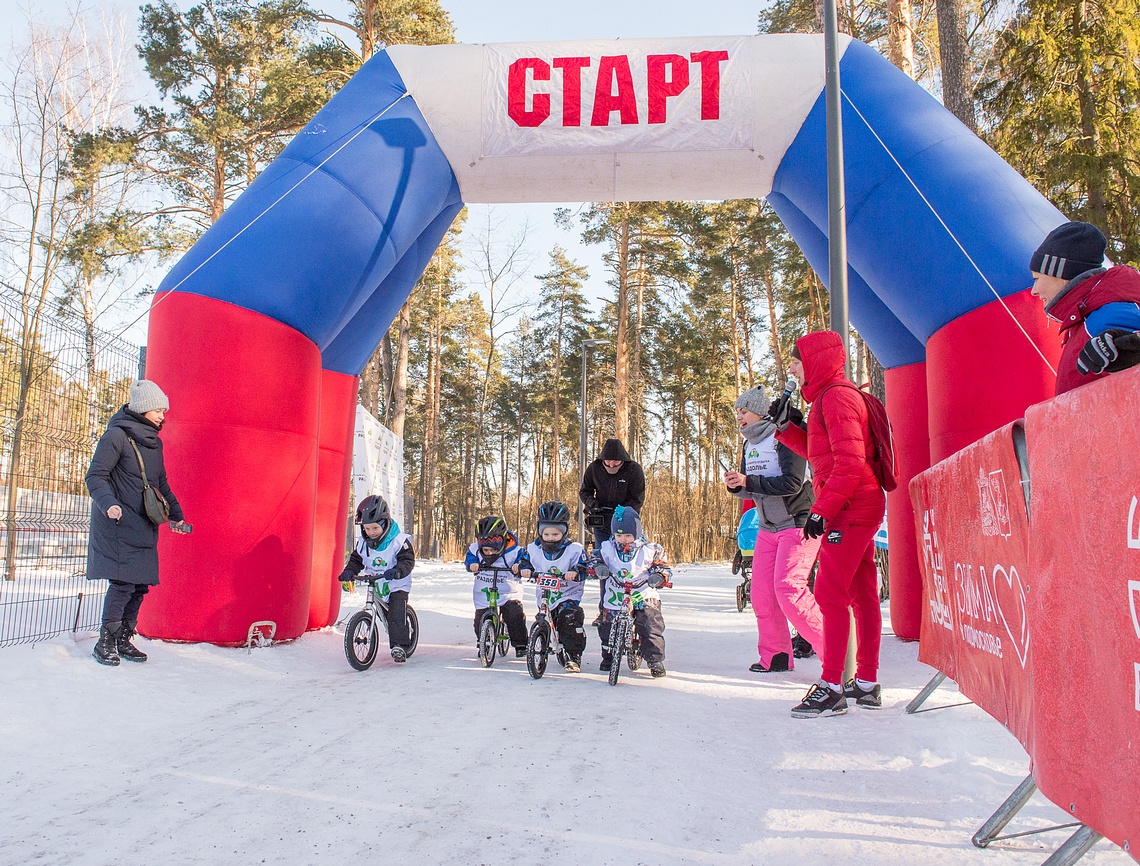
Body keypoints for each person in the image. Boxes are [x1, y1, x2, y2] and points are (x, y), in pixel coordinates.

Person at [773, 333, 886, 717]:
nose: (790, 368)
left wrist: (821, 511)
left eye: (795, 360)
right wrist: (787, 429)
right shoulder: (827, 397)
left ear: (814, 362)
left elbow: (850, 465)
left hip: (852, 506)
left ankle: (832, 686)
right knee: (861, 591)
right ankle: (866, 682)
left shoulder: (837, 397)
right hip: (854, 503)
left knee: (829, 593)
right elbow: (821, 455)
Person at [85, 380, 189, 666]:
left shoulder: (155, 443)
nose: (162, 415)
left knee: (140, 584)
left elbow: (161, 484)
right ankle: (105, 640)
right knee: (122, 583)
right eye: (157, 409)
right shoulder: (115, 437)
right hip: (117, 522)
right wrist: (110, 504)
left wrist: (176, 514)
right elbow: (96, 476)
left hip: (143, 523)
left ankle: (123, 638)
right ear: (142, 408)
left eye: (163, 410)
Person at [724, 386, 825, 674]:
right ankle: (776, 656)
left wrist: (749, 481)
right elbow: (752, 488)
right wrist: (737, 485)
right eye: (737, 412)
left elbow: (792, 484)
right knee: (762, 595)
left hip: (797, 522)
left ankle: (836, 656)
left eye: (744, 411)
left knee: (790, 590)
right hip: (767, 527)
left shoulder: (783, 438)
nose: (739, 417)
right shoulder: (749, 444)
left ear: (760, 411)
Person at [1028, 221, 1140, 394]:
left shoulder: (1106, 315)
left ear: (1061, 275)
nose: (1034, 291)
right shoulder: (1085, 319)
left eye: (1036, 279)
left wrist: (1133, 355)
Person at [590, 506, 672, 678]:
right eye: (619, 535)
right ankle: (609, 655)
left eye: (628, 535)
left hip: (641, 591)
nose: (623, 539)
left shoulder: (650, 550)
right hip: (617, 591)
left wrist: (659, 575)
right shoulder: (607, 548)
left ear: (637, 532)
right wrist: (598, 568)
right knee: (608, 623)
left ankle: (654, 660)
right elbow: (594, 559)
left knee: (650, 623)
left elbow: (662, 565)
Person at [337, 495, 416, 663]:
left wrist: (397, 571)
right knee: (383, 615)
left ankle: (400, 646)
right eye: (367, 529)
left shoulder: (398, 541)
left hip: (396, 583)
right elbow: (356, 560)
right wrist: (349, 572)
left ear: (384, 524)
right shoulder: (363, 543)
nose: (371, 533)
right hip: (376, 582)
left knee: (395, 614)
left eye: (374, 528)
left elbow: (407, 561)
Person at [516, 501, 588, 672]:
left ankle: (573, 656)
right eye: (546, 534)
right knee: (544, 619)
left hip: (567, 594)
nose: (550, 538)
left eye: (555, 534)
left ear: (564, 532)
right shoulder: (533, 549)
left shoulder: (575, 550)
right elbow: (524, 561)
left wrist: (576, 572)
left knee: (569, 618)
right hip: (545, 596)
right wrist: (524, 568)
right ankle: (540, 641)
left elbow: (584, 565)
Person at [579, 437, 645, 618]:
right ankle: (606, 610)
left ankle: (634, 605)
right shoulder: (594, 468)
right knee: (605, 564)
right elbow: (584, 491)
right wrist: (592, 503)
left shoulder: (633, 470)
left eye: (615, 461)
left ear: (623, 459)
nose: (611, 463)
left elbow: (638, 497)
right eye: (608, 460)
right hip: (602, 523)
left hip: (626, 524)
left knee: (628, 565)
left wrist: (624, 511)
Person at [466, 515, 528, 657]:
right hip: (485, 590)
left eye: (492, 550)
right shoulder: (475, 549)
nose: (489, 553)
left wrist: (519, 566)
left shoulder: (514, 551)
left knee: (514, 615)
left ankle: (520, 644)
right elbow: (470, 558)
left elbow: (524, 559)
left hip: (508, 591)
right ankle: (483, 641)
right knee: (479, 620)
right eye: (485, 551)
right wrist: (472, 564)